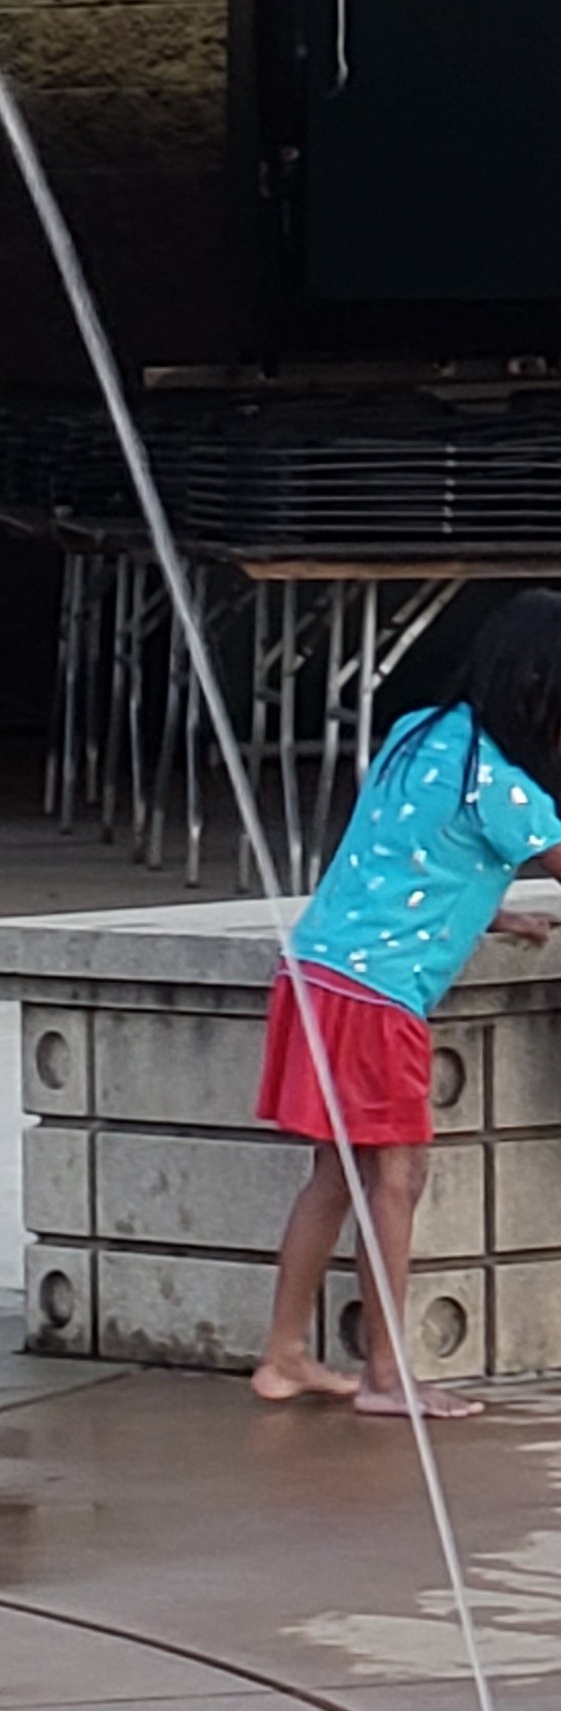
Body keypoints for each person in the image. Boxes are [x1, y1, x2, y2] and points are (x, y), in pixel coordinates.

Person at [252, 588, 561, 1417]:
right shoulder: (505, 787)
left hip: (316, 972)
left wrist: (487, 907)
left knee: (335, 1173)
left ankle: (283, 1356)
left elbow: (406, 846)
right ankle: (388, 1376)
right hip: (377, 998)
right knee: (398, 1175)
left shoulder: (422, 732)